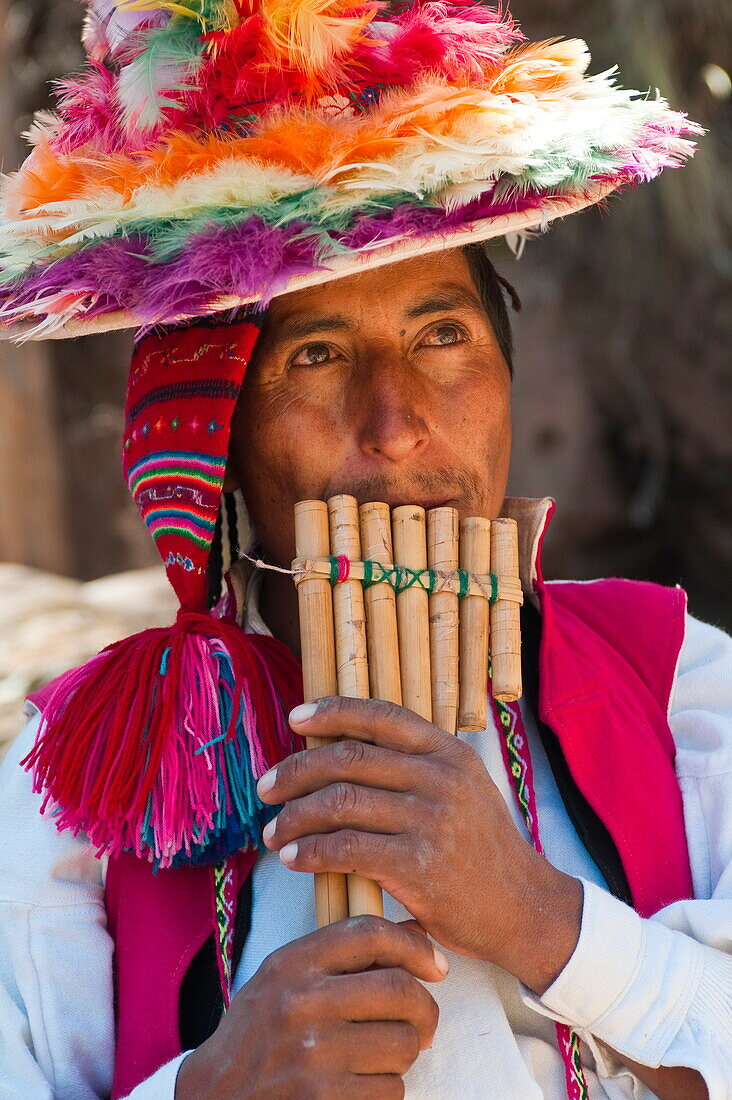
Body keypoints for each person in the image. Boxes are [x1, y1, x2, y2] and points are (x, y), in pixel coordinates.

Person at [0, 3, 729, 1099]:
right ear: (219, 441)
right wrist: (213, 1087)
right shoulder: (74, 797)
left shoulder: (683, 689)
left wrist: (541, 920)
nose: (396, 424)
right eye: (319, 354)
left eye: (443, 335)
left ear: (506, 375)